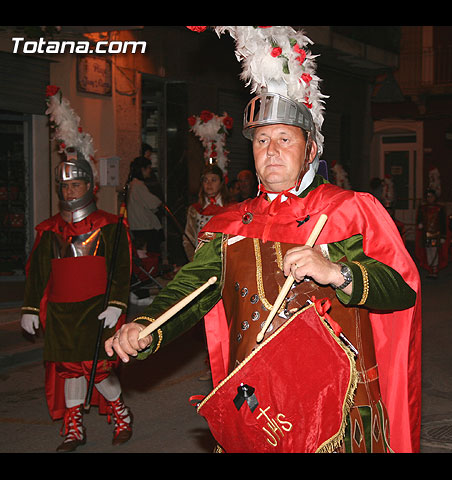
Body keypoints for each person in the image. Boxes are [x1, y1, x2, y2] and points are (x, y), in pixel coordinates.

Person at [105, 25, 421, 454]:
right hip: (259, 407)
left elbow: (400, 291)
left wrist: (337, 272)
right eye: (262, 140)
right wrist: (146, 328)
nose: (271, 150)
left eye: (285, 139)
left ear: (310, 150)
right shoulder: (231, 223)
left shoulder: (348, 209)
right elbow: (189, 291)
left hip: (337, 416)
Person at [20, 145, 133, 451]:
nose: (70, 192)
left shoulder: (110, 225)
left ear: (90, 187)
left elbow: (122, 269)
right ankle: (74, 428)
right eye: (65, 186)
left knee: (97, 368)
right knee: (70, 368)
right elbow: (39, 273)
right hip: (60, 312)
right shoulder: (49, 229)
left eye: (76, 185)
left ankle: (121, 413)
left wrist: (116, 303)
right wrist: (30, 308)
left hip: (97, 309)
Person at [183, 164, 233, 262]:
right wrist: (194, 261)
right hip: (201, 261)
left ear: (221, 183)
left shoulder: (231, 209)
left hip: (225, 261)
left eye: (213, 180)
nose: (209, 184)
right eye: (205, 180)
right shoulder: (194, 210)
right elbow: (188, 239)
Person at [127, 156, 164, 256]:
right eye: (148, 168)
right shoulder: (138, 185)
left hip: (136, 225)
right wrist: (161, 204)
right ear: (143, 169)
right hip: (144, 226)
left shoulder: (131, 184)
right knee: (151, 254)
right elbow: (152, 203)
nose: (150, 171)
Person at [415, 188, 449, 278]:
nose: (430, 198)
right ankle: (430, 269)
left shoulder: (439, 209)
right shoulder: (423, 208)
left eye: (431, 196)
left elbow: (443, 223)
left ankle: (434, 270)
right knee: (428, 251)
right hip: (426, 234)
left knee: (434, 251)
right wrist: (419, 224)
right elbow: (419, 219)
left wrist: (443, 236)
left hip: (436, 234)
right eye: (428, 197)